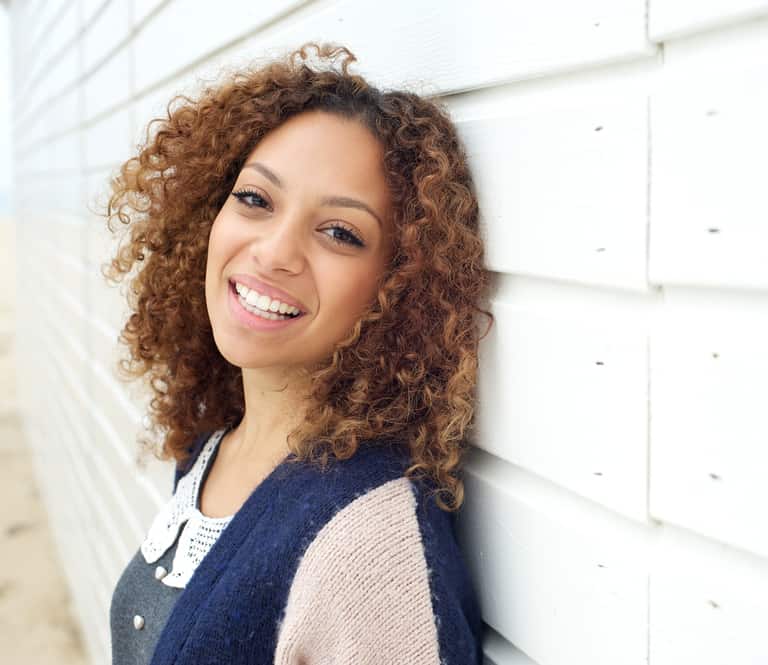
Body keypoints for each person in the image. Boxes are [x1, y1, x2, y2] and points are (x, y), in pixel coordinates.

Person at [101, 41, 493, 665]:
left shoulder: (368, 541)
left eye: (340, 233)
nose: (275, 251)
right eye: (255, 200)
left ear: (397, 285)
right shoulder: (214, 445)